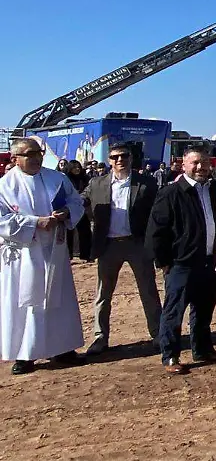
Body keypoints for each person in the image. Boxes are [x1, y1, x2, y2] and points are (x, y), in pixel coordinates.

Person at [0, 138, 88, 375]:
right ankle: (25, 354)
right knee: (27, 301)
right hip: (24, 255)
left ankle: (63, 348)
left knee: (58, 299)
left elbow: (76, 201)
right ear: (15, 158)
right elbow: (2, 220)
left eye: (38, 153)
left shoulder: (57, 178)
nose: (37, 157)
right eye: (29, 154)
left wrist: (67, 212)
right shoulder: (5, 186)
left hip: (55, 251)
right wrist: (35, 222)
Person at [148, 146, 216, 374]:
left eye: (204, 163)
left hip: (209, 260)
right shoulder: (171, 193)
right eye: (195, 163)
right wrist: (163, 261)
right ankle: (170, 355)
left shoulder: (213, 191)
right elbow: (157, 231)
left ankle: (202, 349)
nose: (201, 167)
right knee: (174, 311)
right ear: (184, 165)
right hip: (181, 263)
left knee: (203, 309)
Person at [83, 142, 162, 355]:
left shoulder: (146, 183)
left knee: (148, 290)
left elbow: (159, 210)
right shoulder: (96, 183)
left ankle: (158, 334)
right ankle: (100, 338)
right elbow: (80, 202)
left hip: (137, 244)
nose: (120, 160)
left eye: (124, 156)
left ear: (131, 158)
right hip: (108, 246)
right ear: (109, 161)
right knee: (103, 294)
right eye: (115, 157)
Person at [64, 160, 93, 261]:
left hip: (83, 208)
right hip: (69, 209)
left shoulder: (85, 178)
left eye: (78, 167)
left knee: (85, 231)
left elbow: (89, 192)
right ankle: (69, 255)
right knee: (69, 233)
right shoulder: (65, 179)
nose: (77, 169)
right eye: (74, 167)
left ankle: (86, 254)